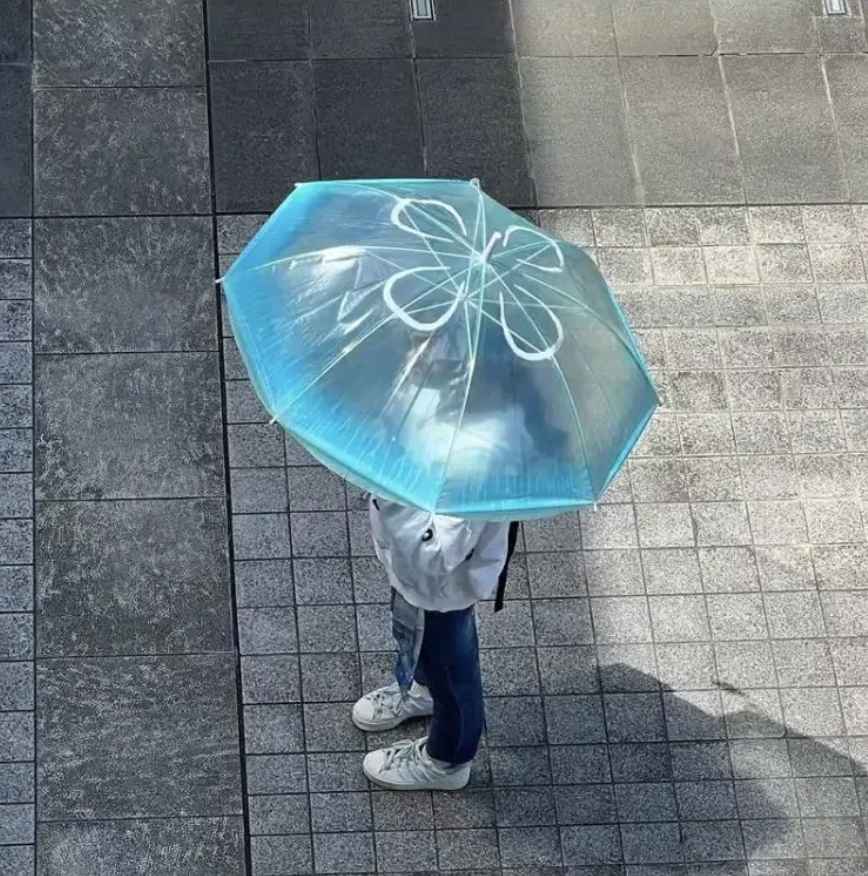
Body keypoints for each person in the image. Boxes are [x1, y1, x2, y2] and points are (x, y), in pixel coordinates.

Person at [352, 496, 518, 791]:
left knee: (451, 667)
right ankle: (425, 691)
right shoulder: (452, 456)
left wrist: (388, 494)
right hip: (423, 576)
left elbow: (434, 554)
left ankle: (447, 760)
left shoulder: (471, 468)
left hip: (441, 586)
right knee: (427, 649)